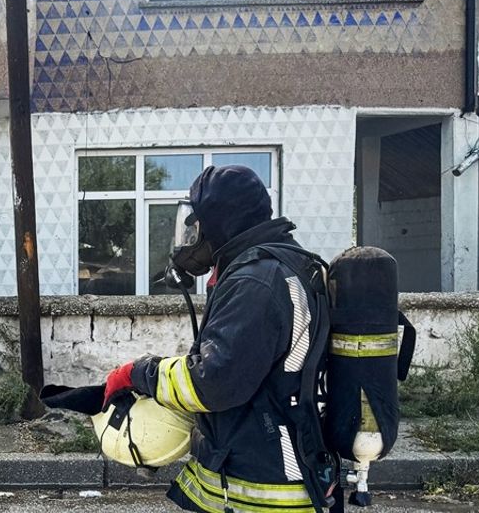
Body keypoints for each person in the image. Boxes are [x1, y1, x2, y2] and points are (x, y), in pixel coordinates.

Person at [103, 164, 332, 513]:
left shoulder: (256, 282)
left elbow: (213, 382)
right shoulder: (278, 264)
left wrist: (138, 373)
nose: (191, 237)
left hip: (263, 486)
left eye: (196, 226)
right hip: (263, 459)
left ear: (220, 223)